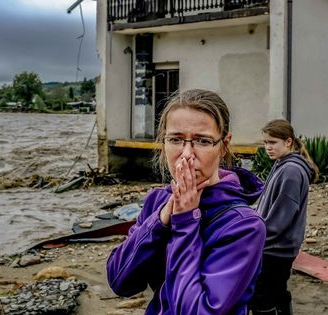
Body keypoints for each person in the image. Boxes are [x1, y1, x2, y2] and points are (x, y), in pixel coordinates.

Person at [106, 89, 266, 314]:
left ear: (224, 144)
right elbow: (120, 281)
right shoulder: (157, 201)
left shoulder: (244, 226)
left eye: (202, 141)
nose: (187, 154)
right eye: (176, 140)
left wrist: (185, 223)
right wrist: (160, 221)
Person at [250, 119, 318, 315]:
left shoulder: (291, 171)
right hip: (278, 247)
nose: (268, 147)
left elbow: (281, 219)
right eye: (265, 143)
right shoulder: (282, 164)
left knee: (262, 299)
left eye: (272, 142)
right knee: (277, 294)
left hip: (275, 249)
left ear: (288, 142)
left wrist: (255, 240)